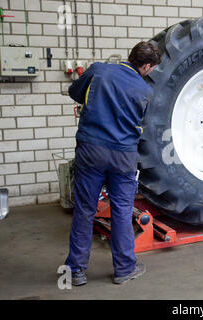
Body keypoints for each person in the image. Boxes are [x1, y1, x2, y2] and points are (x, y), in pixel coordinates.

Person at [65, 42, 161, 284]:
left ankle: (75, 270)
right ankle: (124, 269)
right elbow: (143, 123)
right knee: (121, 211)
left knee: (85, 209)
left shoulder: (99, 70)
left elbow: (75, 93)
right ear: (146, 66)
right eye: (152, 69)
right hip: (123, 156)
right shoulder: (145, 91)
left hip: (91, 150)